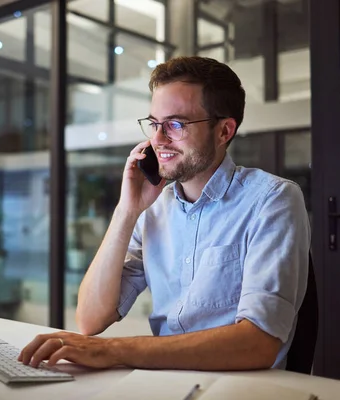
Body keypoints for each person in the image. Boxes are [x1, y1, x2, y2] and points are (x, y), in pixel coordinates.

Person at [18, 56, 311, 371]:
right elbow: (90, 318)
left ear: (224, 130)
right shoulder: (153, 208)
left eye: (175, 124)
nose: (157, 140)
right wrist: (126, 210)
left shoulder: (273, 200)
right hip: (167, 382)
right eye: (154, 124)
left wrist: (112, 351)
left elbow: (258, 344)